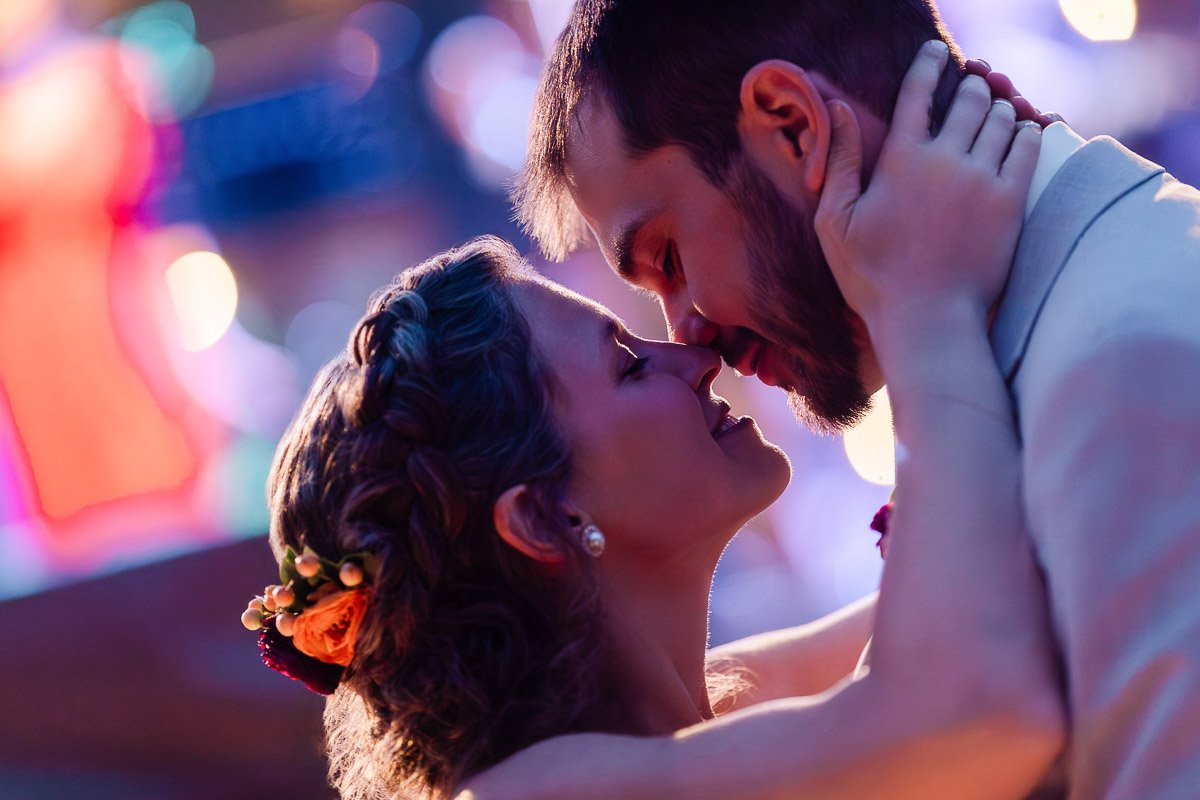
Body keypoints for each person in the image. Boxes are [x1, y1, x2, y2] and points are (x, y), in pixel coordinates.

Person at [243, 57, 1060, 799]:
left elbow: (1004, 591)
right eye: (629, 365)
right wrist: (923, 303)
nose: (693, 355)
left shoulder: (694, 708)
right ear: (542, 516)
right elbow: (985, 713)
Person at [506, 2, 1200, 797]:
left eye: (668, 254)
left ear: (793, 126)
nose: (688, 335)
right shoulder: (1003, 346)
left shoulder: (1120, 365)